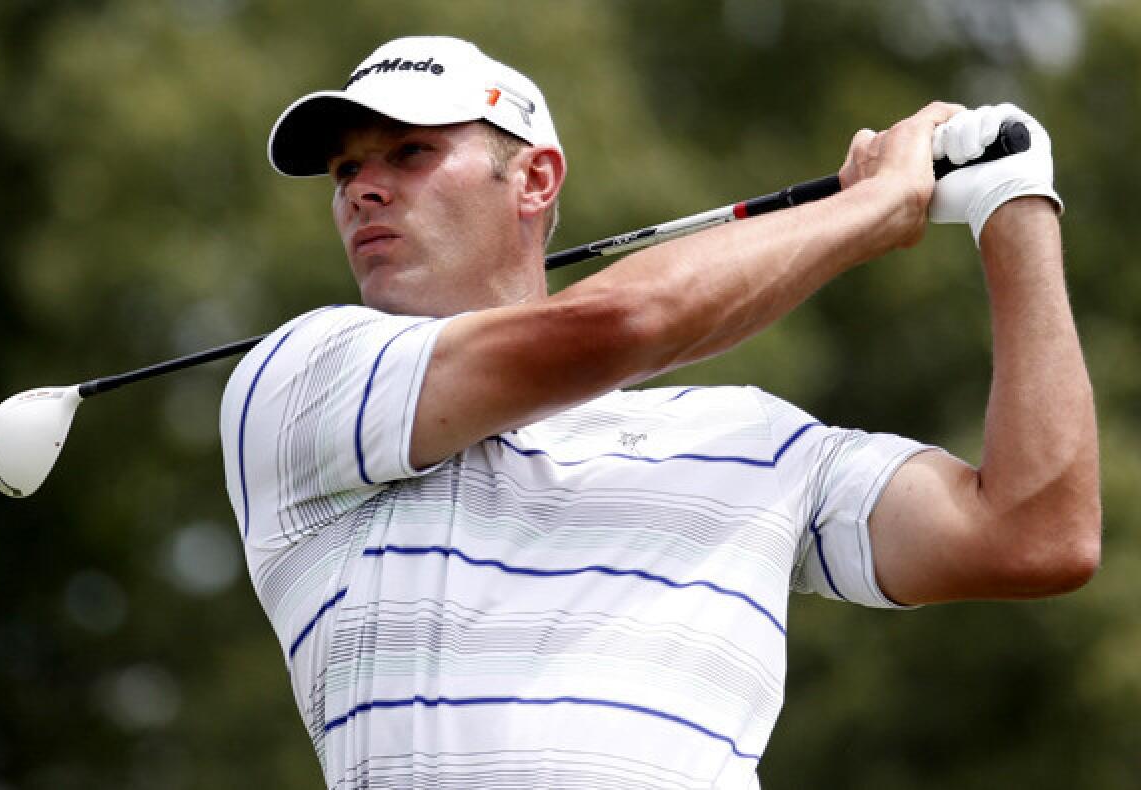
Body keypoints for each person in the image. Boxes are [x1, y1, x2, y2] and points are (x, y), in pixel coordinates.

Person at [219, 35, 1100, 789]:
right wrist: (876, 208)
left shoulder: (753, 439)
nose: (362, 190)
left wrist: (1014, 206)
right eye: (345, 171)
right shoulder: (299, 384)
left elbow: (1034, 534)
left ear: (534, 180)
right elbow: (618, 326)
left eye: (408, 153)